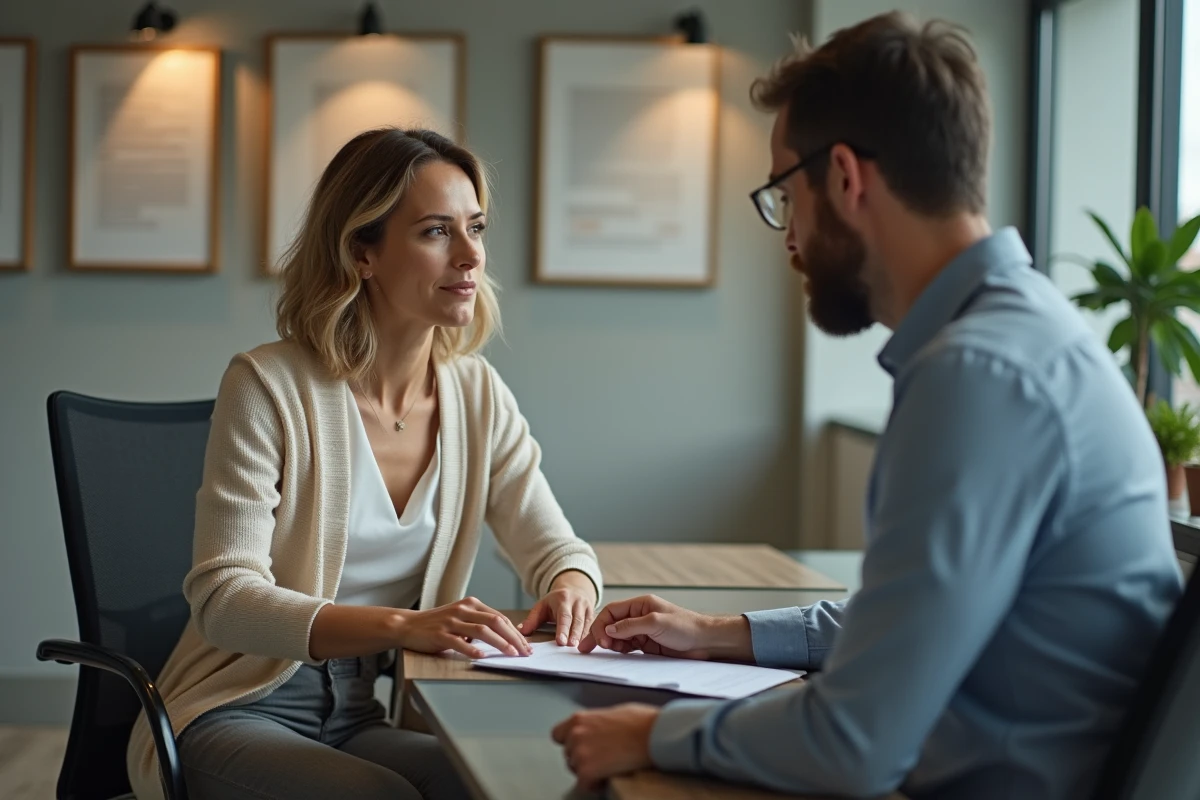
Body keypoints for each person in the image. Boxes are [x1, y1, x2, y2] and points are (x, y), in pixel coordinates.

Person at [551, 12, 1184, 799]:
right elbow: (912, 615)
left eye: (785, 192)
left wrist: (651, 731)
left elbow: (853, 743)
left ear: (845, 178)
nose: (786, 237)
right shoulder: (1021, 339)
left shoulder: (979, 377)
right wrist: (723, 635)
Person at [126, 127, 603, 800]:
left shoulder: (476, 393)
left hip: (356, 712)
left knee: (503, 783)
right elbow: (223, 599)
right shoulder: (268, 385)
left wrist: (573, 588)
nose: (471, 256)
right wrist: (409, 627)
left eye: (476, 227)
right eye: (437, 232)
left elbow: (554, 546)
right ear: (362, 252)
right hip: (233, 708)